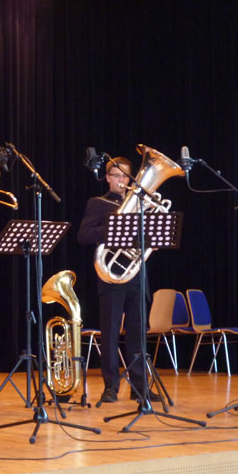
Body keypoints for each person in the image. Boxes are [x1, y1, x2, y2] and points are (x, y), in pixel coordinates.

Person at [77, 156, 158, 403]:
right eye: (116, 175)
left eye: (125, 176)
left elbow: (149, 238)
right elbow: (84, 235)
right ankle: (110, 387)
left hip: (136, 276)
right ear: (107, 178)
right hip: (111, 276)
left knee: (138, 335)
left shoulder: (141, 204)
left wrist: (152, 237)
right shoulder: (98, 203)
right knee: (110, 334)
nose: (121, 180)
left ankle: (140, 388)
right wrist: (113, 228)